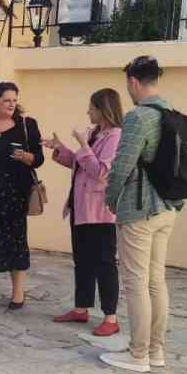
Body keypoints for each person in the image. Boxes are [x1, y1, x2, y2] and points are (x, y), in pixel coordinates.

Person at [100, 56, 184, 373]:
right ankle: (155, 351)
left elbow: (121, 165)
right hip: (167, 208)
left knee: (136, 283)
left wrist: (111, 200)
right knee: (155, 281)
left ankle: (138, 355)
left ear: (133, 82)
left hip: (139, 210)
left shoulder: (138, 117)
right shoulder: (171, 113)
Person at [44, 88, 124, 337]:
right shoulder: (95, 134)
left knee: (104, 263)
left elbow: (101, 172)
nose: (88, 112)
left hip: (101, 212)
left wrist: (82, 145)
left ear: (103, 110)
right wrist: (61, 149)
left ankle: (111, 318)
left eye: (91, 107)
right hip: (80, 208)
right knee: (83, 260)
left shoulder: (116, 136)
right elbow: (81, 164)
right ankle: (81, 308)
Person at [0, 81, 44, 310]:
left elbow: (39, 158)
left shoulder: (26, 124)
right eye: (6, 100)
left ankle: (18, 292)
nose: (11, 104)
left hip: (16, 193)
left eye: (14, 100)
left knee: (16, 241)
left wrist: (26, 157)